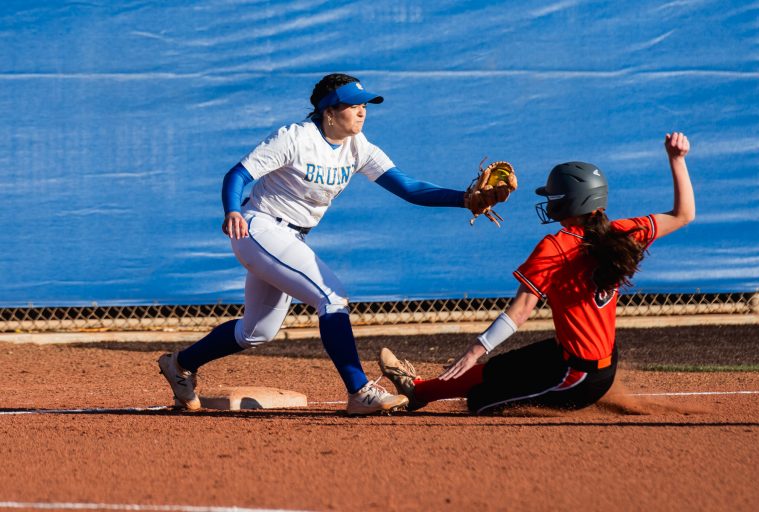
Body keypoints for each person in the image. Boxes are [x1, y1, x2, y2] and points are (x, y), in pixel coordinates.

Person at [158, 73, 505, 415]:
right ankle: (359, 391)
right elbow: (238, 175)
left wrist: (464, 199)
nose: (362, 110)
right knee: (331, 297)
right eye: (354, 104)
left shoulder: (358, 147)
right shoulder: (294, 138)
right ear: (329, 111)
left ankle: (180, 364)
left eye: (365, 104)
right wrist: (232, 210)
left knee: (257, 331)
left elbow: (409, 189)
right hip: (258, 227)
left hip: (290, 237)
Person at [379, 132, 694, 414]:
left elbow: (520, 312)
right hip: (586, 359)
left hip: (577, 378)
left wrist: (474, 350)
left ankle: (428, 392)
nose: (549, 202)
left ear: (570, 202)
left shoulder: (557, 246)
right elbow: (684, 214)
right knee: (498, 368)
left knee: (481, 401)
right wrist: (676, 159)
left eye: (554, 197)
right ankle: (419, 390)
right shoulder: (621, 231)